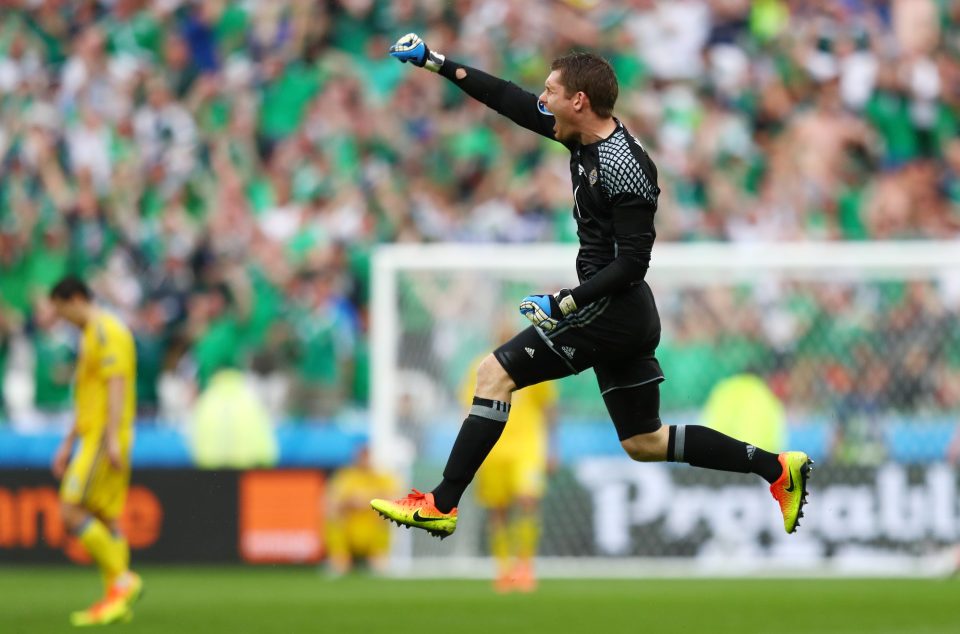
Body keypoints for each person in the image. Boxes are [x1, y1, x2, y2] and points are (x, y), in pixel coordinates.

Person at [372, 34, 812, 541]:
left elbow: (633, 263)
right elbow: (509, 99)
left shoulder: (625, 167)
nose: (542, 99)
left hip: (611, 310)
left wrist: (564, 301)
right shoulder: (579, 134)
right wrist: (436, 63)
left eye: (551, 90)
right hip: (618, 313)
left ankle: (440, 502)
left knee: (493, 373)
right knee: (645, 440)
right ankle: (776, 469)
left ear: (578, 100)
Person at [49, 276, 143, 626]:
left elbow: (117, 381)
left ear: (74, 299)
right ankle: (116, 601)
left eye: (61, 311)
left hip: (103, 437)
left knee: (70, 510)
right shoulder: (92, 334)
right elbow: (88, 394)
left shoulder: (106, 331)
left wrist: (113, 437)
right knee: (106, 517)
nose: (62, 319)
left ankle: (122, 581)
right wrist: (68, 441)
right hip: (93, 435)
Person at [461, 333, 558, 592]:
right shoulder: (479, 366)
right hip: (493, 447)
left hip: (527, 446)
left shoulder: (535, 361)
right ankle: (504, 570)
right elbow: (469, 410)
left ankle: (524, 565)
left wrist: (553, 449)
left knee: (528, 500)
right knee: (498, 509)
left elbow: (548, 408)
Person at [325, 445, 398, 577]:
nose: (365, 460)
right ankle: (340, 559)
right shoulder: (346, 477)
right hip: (350, 527)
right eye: (362, 457)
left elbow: (396, 501)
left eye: (367, 457)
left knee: (387, 517)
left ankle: (379, 558)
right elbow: (332, 502)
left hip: (372, 527)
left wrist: (368, 501)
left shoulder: (382, 477)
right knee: (333, 517)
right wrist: (350, 503)